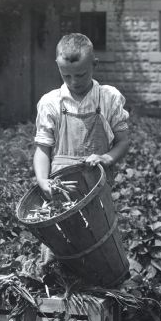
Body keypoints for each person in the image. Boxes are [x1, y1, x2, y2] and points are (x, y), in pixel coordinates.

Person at [33, 33, 130, 267]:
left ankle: (99, 286)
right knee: (59, 239)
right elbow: (42, 148)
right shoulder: (51, 102)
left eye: (81, 74)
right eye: (66, 75)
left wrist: (107, 157)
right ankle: (55, 285)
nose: (74, 81)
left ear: (94, 65)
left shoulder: (108, 98)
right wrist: (43, 180)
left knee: (97, 234)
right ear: (58, 67)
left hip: (96, 182)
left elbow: (124, 141)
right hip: (61, 186)